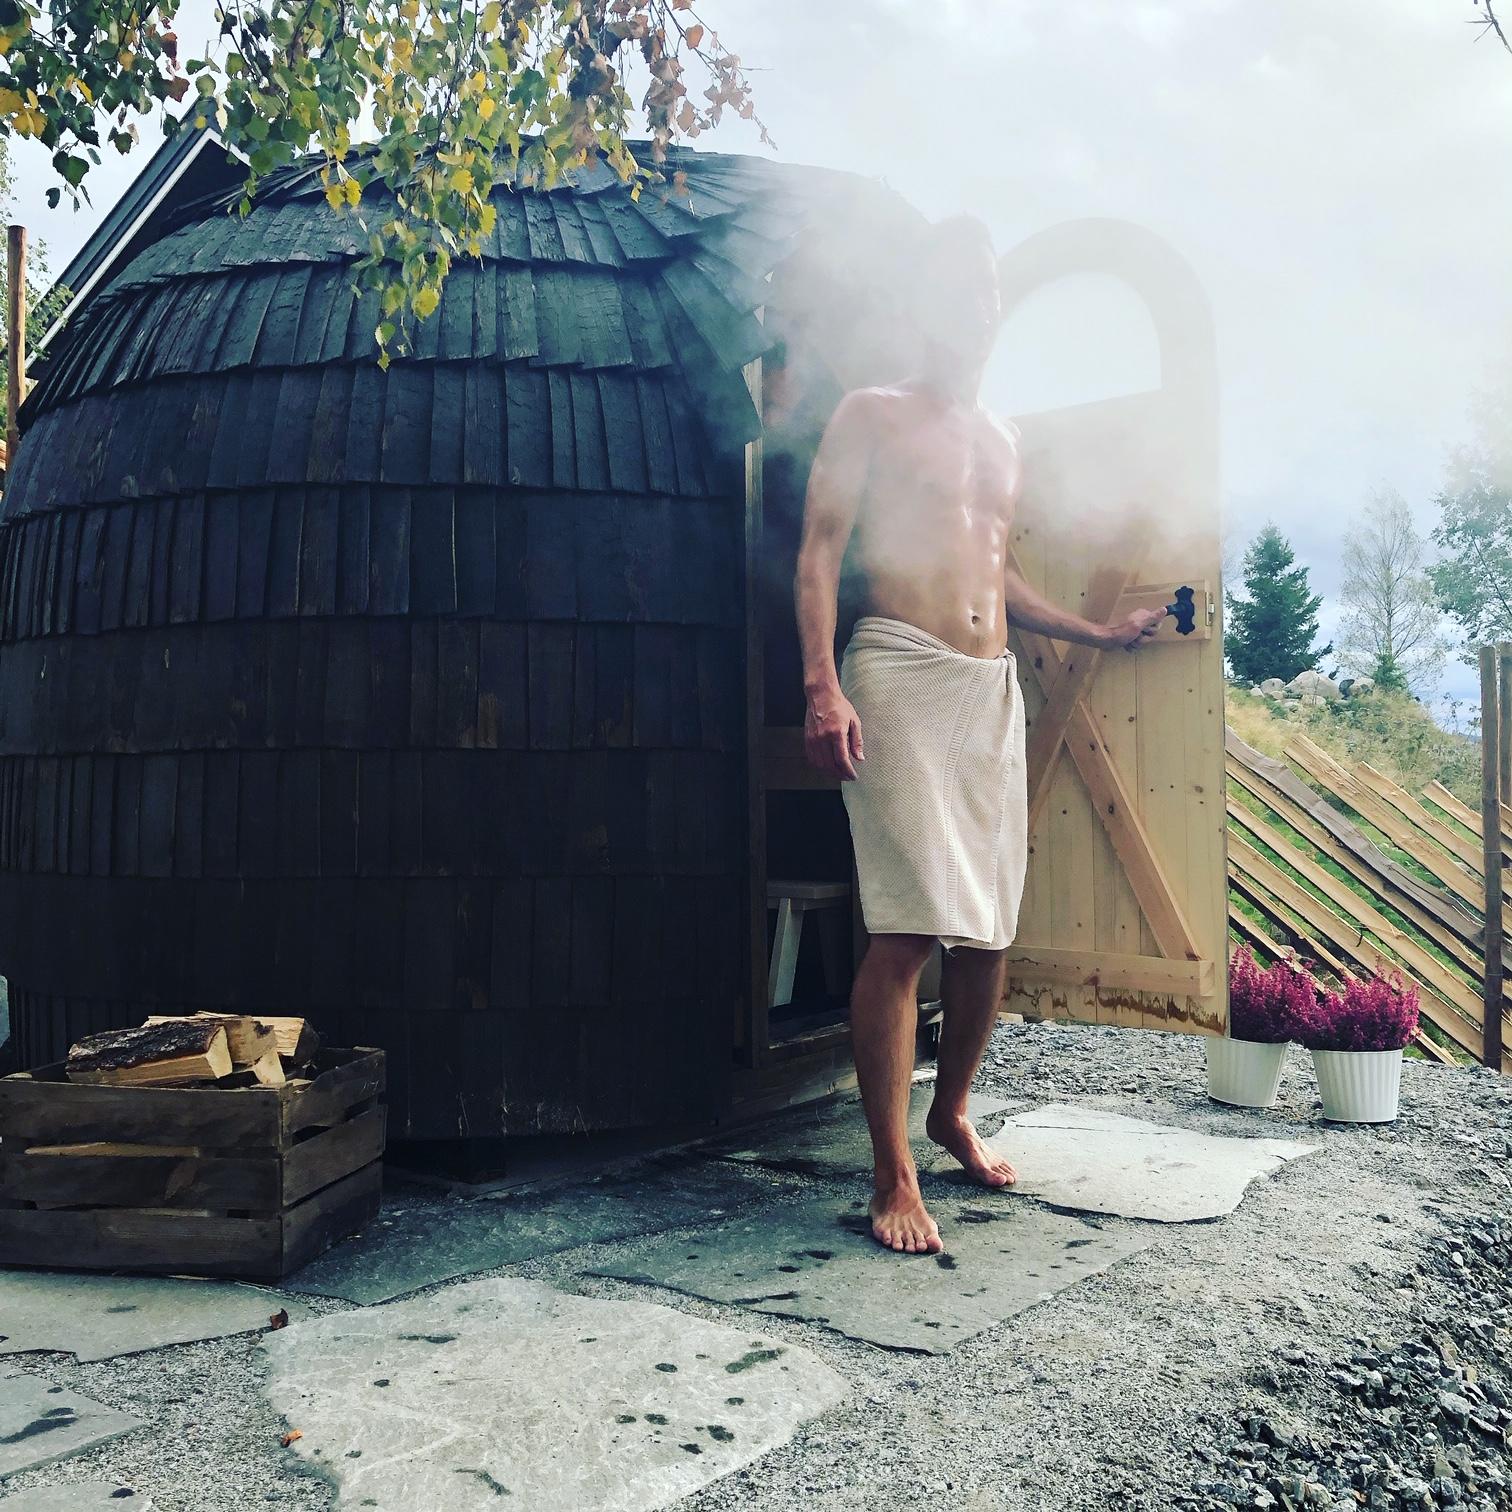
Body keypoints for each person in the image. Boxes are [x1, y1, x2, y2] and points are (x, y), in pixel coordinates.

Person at [793, 214, 1167, 1255]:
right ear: (921, 302)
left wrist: (1096, 630)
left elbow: (991, 568)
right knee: (910, 925)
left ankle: (951, 1111)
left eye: (993, 291)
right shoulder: (869, 413)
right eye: (962, 288)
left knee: (989, 932)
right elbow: (821, 549)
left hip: (986, 685)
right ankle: (890, 1168)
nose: (982, 307)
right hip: (898, 672)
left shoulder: (1004, 437)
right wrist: (822, 686)